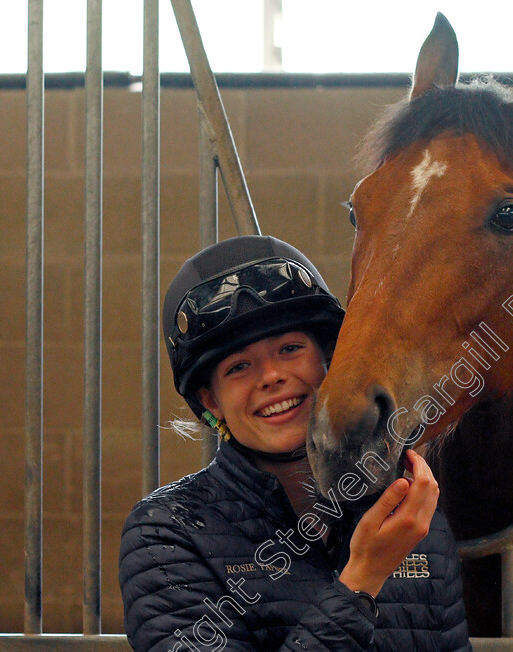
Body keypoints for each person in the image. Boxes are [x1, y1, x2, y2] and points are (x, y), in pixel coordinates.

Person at [119, 234, 472, 651]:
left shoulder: (410, 518)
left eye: (290, 348)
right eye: (239, 366)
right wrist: (361, 579)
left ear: (328, 359)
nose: (271, 376)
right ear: (211, 400)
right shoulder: (165, 535)